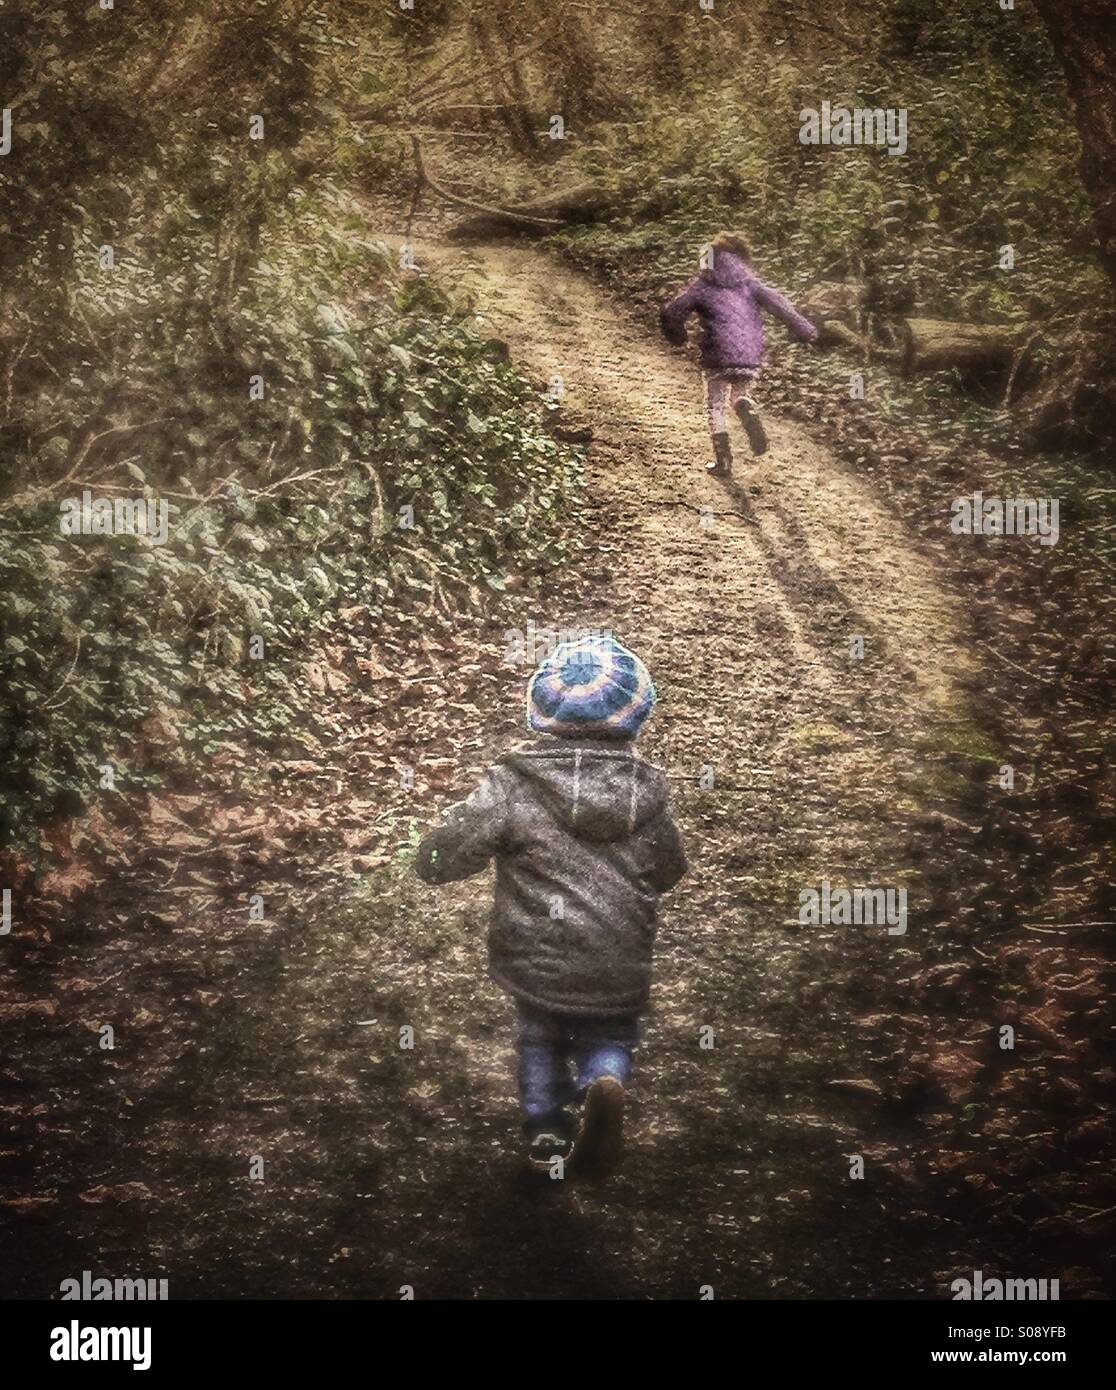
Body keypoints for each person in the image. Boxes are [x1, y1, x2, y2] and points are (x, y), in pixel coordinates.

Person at [414, 635, 687, 1175]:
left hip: (536, 956)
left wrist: (432, 856)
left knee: (538, 1038)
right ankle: (604, 1084)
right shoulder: (647, 793)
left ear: (542, 713)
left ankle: (545, 1133)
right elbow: (669, 867)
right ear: (635, 716)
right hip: (617, 957)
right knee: (610, 1035)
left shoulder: (515, 784)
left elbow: (452, 848)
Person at [660, 230, 818, 477]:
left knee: (715, 406)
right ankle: (745, 404)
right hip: (749, 355)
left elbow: (672, 312)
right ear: (743, 257)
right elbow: (781, 306)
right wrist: (806, 331)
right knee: (738, 394)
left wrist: (677, 336)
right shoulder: (751, 284)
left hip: (717, 355)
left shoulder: (703, 285)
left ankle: (723, 462)